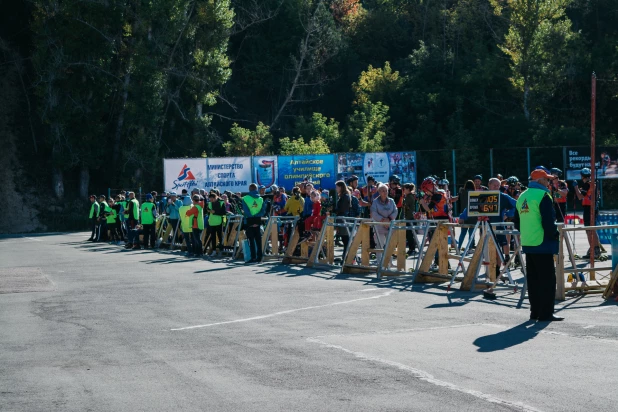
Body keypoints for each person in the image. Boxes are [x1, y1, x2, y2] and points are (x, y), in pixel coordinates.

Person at [514, 169, 563, 322]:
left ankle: (534, 312)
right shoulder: (543, 195)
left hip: (528, 242)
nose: (549, 183)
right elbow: (548, 221)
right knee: (547, 280)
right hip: (542, 242)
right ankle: (546, 314)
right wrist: (555, 234)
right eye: (547, 180)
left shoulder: (522, 196)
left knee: (534, 280)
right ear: (540, 181)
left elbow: (516, 221)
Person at [573, 167, 601, 258]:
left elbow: (580, 196)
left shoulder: (587, 184)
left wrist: (576, 187)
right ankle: (594, 248)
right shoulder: (594, 183)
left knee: (589, 230)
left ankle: (595, 249)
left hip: (589, 208)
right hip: (593, 208)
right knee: (592, 229)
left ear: (582, 176)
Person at [370, 183, 398, 265]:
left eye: (386, 191)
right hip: (379, 226)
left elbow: (395, 211)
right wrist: (383, 220)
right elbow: (374, 213)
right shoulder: (375, 202)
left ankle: (389, 262)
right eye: (382, 191)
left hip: (390, 226)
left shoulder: (391, 201)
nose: (385, 192)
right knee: (380, 244)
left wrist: (389, 219)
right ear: (379, 192)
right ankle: (380, 262)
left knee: (390, 245)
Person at [242, 183, 267, 263]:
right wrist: (256, 216)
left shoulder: (245, 198)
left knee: (251, 240)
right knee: (258, 240)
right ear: (256, 189)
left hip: (249, 221)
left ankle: (253, 257)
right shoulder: (261, 199)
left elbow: (245, 211)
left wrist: (251, 218)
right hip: (258, 220)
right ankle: (259, 257)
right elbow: (263, 211)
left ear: (249, 189)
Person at [457, 180, 477, 250]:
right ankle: (469, 248)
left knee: (462, 233)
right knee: (471, 234)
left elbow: (459, 202)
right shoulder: (474, 193)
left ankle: (458, 247)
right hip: (472, 215)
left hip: (463, 215)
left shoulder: (462, 193)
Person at [334, 181, 352, 258]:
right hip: (341, 219)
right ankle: (345, 256)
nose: (336, 189)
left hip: (344, 219)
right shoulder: (343, 196)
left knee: (346, 240)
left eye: (337, 187)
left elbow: (343, 208)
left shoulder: (345, 196)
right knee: (345, 239)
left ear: (341, 187)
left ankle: (346, 257)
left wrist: (334, 209)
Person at [206, 192, 226, 257]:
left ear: (215, 198)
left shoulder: (221, 203)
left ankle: (221, 251)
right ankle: (214, 251)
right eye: (210, 199)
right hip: (212, 222)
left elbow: (223, 212)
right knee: (213, 237)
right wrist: (209, 210)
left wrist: (215, 212)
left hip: (219, 222)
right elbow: (207, 210)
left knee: (220, 237)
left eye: (212, 199)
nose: (211, 201)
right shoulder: (209, 203)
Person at [402, 183, 418, 254]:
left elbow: (405, 206)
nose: (403, 190)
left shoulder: (409, 197)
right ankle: (412, 248)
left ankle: (412, 249)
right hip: (410, 217)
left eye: (404, 189)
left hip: (409, 218)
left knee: (409, 234)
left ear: (408, 189)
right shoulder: (410, 196)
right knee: (409, 234)